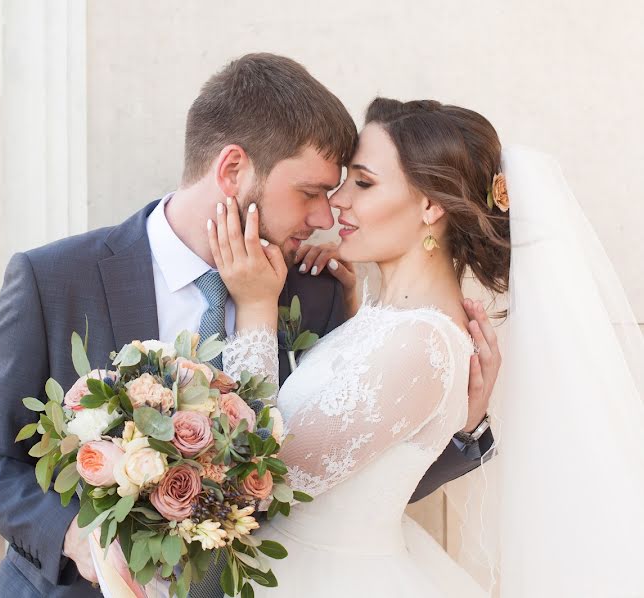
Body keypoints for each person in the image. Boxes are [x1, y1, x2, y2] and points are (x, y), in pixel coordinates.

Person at [0, 56, 498, 598]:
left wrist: (459, 432)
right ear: (233, 170)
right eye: (311, 192)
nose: (325, 217)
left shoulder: (316, 291)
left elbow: (337, 488)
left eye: (348, 188)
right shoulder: (55, 278)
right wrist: (77, 539)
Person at [208, 97, 644, 596]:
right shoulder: (386, 319)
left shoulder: (422, 345)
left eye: (364, 183)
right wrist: (350, 309)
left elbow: (260, 480)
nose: (337, 202)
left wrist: (257, 305)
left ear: (431, 205)